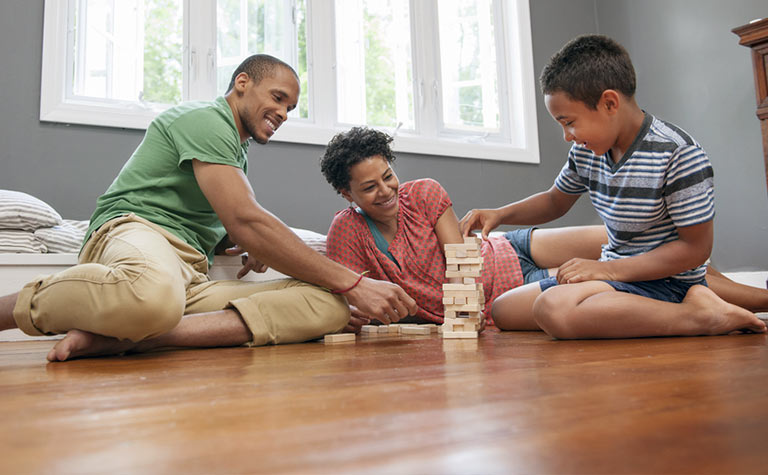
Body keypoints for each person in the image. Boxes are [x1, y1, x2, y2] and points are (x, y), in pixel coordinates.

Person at [0, 54, 417, 362]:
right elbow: (246, 216)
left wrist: (235, 239)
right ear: (242, 83)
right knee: (153, 295)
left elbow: (229, 220)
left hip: (188, 273)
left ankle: (132, 338)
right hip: (137, 232)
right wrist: (353, 282)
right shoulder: (205, 120)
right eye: (277, 98)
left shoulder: (236, 152)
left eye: (290, 107)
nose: (284, 113)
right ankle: (8, 309)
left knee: (327, 306)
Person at [459, 35, 766, 339]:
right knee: (502, 310)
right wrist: (500, 214)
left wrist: (607, 272)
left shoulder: (678, 153)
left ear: (609, 103)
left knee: (553, 309)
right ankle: (640, 308)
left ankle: (699, 315)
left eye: (569, 122)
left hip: (667, 281)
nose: (567, 135)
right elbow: (555, 201)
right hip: (619, 274)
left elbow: (695, 249)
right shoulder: (586, 152)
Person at [320, 126, 608, 330]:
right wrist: (465, 315)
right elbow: (356, 299)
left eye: (388, 177)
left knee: (613, 240)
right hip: (505, 298)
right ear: (347, 193)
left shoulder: (424, 192)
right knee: (608, 281)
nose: (385, 191)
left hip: (507, 249)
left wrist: (463, 305)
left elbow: (459, 260)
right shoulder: (347, 230)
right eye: (369, 187)